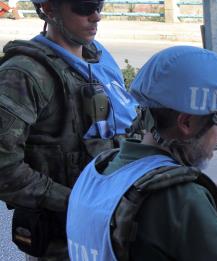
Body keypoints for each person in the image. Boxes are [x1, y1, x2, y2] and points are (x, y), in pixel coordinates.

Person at [66, 46, 217, 261]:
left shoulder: (99, 170)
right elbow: (170, 209)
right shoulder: (182, 199)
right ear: (186, 123)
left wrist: (207, 195)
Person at [0, 0, 138, 258]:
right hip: (63, 241)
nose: (96, 16)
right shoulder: (22, 75)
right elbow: (4, 168)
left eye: (99, 5)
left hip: (111, 230)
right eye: (84, 7)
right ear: (49, 9)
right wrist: (77, 202)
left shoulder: (98, 59)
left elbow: (127, 130)